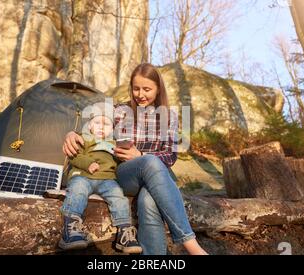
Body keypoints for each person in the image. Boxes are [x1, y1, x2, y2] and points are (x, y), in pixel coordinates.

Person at [63, 63, 208, 255]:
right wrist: (72, 134)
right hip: (123, 175)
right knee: (150, 162)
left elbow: (170, 155)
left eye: (147, 89)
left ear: (158, 90)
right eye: (136, 88)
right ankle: (192, 246)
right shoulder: (120, 111)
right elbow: (93, 124)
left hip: (155, 179)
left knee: (149, 200)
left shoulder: (169, 117)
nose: (140, 94)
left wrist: (140, 155)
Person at [59, 104, 142, 254]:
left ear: (112, 129)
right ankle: (70, 228)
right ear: (90, 125)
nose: (101, 127)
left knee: (119, 197)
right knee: (78, 190)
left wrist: (125, 160)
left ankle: (124, 232)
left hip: (107, 180)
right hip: (83, 176)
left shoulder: (115, 143)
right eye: (97, 123)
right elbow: (73, 156)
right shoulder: (83, 138)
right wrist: (88, 163)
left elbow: (121, 162)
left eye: (107, 124)